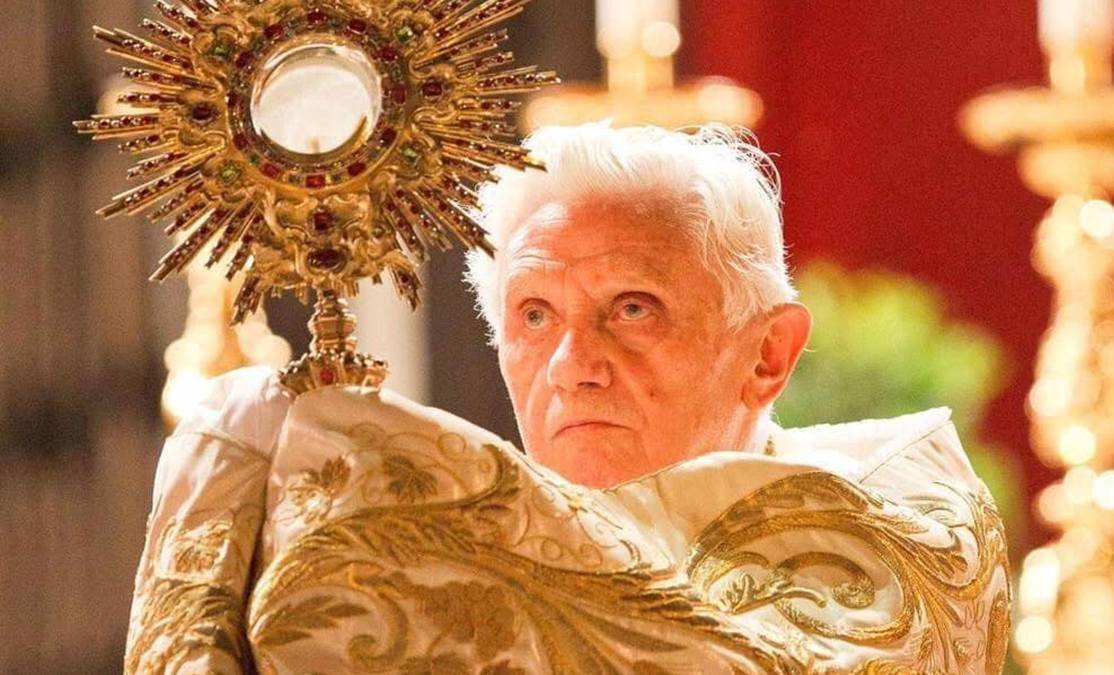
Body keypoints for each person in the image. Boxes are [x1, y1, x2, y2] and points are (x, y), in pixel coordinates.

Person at [124, 123, 1010, 674]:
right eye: (535, 314)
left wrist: (257, 445)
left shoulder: (890, 545)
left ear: (767, 354)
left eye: (633, 308)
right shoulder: (439, 551)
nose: (573, 362)